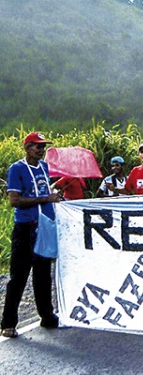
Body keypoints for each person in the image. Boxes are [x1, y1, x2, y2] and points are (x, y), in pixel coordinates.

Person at [2, 132, 60, 338]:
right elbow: (14, 200)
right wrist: (46, 198)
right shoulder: (17, 169)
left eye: (43, 146)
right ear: (27, 148)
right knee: (18, 276)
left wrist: (53, 196)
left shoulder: (44, 167)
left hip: (43, 226)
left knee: (43, 275)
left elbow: (43, 191)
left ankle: (47, 316)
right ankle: (8, 322)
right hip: (25, 227)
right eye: (37, 146)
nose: (41, 150)